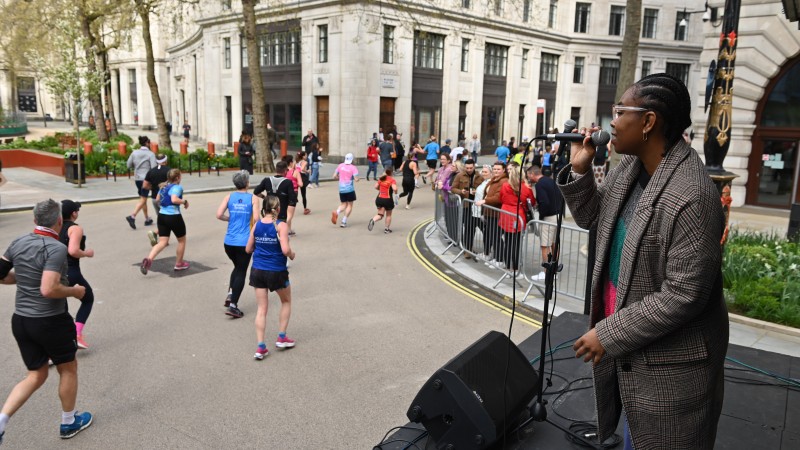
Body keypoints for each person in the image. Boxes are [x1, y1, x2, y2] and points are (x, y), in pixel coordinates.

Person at [563, 73, 728, 449]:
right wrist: (580, 169)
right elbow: (592, 218)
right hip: (634, 349)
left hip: (672, 371)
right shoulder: (631, 168)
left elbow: (684, 294)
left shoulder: (692, 195)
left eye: (620, 111)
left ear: (649, 121)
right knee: (632, 434)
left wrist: (607, 333)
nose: (611, 121)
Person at [0, 199, 93, 444]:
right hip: (50, 321)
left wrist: (26, 277)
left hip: (21, 321)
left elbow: (1, 274)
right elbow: (49, 289)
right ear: (59, 222)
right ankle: (69, 422)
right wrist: (75, 291)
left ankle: (1, 422)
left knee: (36, 374)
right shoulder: (56, 248)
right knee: (68, 368)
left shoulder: (18, 241)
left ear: (34, 220)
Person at [246, 195, 296, 360]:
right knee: (286, 301)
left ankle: (260, 347)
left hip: (258, 270)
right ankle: (281, 337)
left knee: (261, 309)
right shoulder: (281, 226)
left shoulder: (257, 225)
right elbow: (284, 250)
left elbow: (248, 249)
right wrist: (292, 254)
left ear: (264, 208)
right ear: (278, 209)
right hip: (276, 270)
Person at [216, 171, 260, 319]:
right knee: (241, 271)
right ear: (247, 183)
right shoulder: (253, 198)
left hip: (228, 242)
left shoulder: (229, 197)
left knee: (237, 267)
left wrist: (231, 219)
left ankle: (230, 294)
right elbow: (256, 220)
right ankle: (233, 305)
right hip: (244, 242)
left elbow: (218, 214)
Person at [58, 200, 95, 349]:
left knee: (61, 308)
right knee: (88, 298)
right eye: (77, 210)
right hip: (70, 271)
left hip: (53, 271)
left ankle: (55, 347)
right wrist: (86, 253)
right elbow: (73, 250)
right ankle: (77, 334)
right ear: (74, 213)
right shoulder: (75, 228)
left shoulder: (55, 227)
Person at [140, 169, 190, 274]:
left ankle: (148, 260)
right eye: (180, 176)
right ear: (177, 178)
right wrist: (184, 202)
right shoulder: (177, 187)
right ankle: (179, 264)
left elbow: (158, 199)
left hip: (162, 216)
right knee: (181, 241)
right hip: (174, 217)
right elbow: (174, 199)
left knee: (162, 242)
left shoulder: (163, 186)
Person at [498, 165, 535, 275]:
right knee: (517, 244)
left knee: (508, 242)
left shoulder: (505, 186)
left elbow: (501, 198)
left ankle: (508, 265)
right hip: (518, 216)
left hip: (506, 214)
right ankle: (515, 268)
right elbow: (532, 202)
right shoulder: (526, 188)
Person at [526, 165, 559, 280]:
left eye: (528, 176)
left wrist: (541, 216)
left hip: (548, 218)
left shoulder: (540, 184)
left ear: (532, 174)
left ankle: (547, 272)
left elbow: (545, 202)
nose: (528, 178)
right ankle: (554, 270)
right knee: (554, 244)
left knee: (545, 245)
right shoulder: (551, 181)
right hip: (557, 216)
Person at [475, 162, 507, 267]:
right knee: (493, 236)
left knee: (496, 237)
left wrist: (485, 201)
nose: (496, 171)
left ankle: (500, 260)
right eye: (495, 169)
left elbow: (498, 197)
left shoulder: (503, 181)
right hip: (489, 212)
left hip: (496, 213)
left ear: (503, 170)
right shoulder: (494, 179)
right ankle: (496, 257)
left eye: (498, 169)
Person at [451, 159, 483, 258]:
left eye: (471, 168)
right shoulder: (460, 175)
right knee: (469, 228)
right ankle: (467, 250)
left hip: (477, 207)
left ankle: (487, 252)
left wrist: (476, 192)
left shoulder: (480, 177)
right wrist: (461, 192)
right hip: (466, 206)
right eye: (467, 168)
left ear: (474, 167)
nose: (469, 170)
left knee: (484, 228)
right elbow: (453, 188)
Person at [125, 136, 157, 230]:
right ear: (147, 143)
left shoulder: (134, 153)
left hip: (137, 179)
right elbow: (154, 168)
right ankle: (132, 216)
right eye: (149, 143)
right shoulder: (150, 154)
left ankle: (147, 219)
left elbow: (128, 165)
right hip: (146, 179)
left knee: (143, 198)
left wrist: (137, 166)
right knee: (143, 198)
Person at [143, 154, 170, 246]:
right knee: (169, 219)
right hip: (166, 199)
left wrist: (153, 188)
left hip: (154, 198)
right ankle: (157, 234)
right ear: (165, 161)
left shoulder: (151, 171)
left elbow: (145, 185)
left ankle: (163, 240)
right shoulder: (169, 171)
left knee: (161, 219)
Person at [331, 153, 359, 228]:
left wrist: (339, 177)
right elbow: (356, 179)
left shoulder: (340, 165)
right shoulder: (353, 168)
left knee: (343, 204)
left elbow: (334, 176)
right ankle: (344, 221)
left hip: (341, 189)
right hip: (349, 189)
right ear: (352, 159)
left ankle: (337, 212)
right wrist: (357, 179)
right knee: (349, 205)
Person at [368, 169, 398, 234]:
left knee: (380, 215)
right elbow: (395, 188)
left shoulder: (381, 179)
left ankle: (373, 220)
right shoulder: (392, 180)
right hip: (388, 200)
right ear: (391, 173)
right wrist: (396, 194)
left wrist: (381, 189)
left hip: (379, 199)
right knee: (388, 215)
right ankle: (386, 229)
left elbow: (375, 187)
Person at [282, 155, 303, 236]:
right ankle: (282, 227)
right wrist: (295, 182)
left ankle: (289, 230)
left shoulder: (283, 171)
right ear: (290, 162)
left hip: (283, 192)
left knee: (285, 211)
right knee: (290, 213)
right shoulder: (295, 172)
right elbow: (301, 184)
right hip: (293, 193)